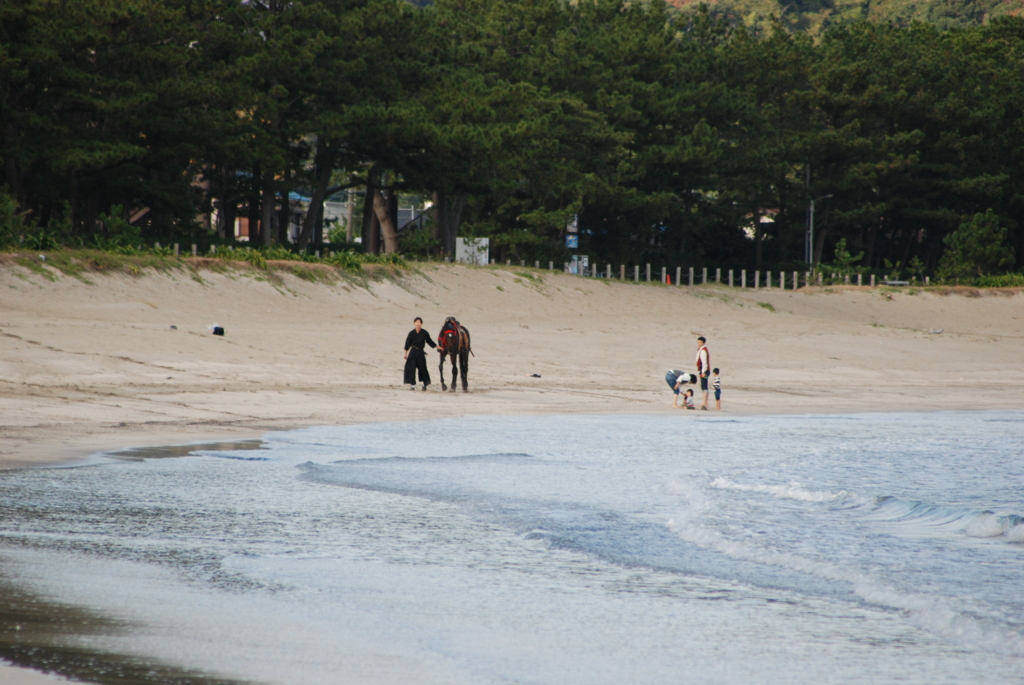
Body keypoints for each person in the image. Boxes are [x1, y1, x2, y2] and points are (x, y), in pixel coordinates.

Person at [403, 317, 436, 390]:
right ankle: (412, 385)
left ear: (421, 324)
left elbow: (429, 341)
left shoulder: (425, 333)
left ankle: (425, 384)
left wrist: (437, 346)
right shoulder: (411, 333)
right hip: (413, 352)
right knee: (411, 368)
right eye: (416, 322)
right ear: (414, 323)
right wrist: (405, 353)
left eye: (419, 322)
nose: (418, 324)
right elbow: (407, 344)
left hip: (420, 352)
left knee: (423, 368)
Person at [696, 336, 710, 410]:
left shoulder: (703, 350)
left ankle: (705, 403)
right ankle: (704, 402)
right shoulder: (701, 349)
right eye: (698, 342)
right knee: (703, 386)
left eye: (700, 342)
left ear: (703, 343)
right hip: (703, 370)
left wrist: (703, 371)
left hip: (704, 371)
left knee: (704, 386)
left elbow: (704, 362)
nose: (699, 344)